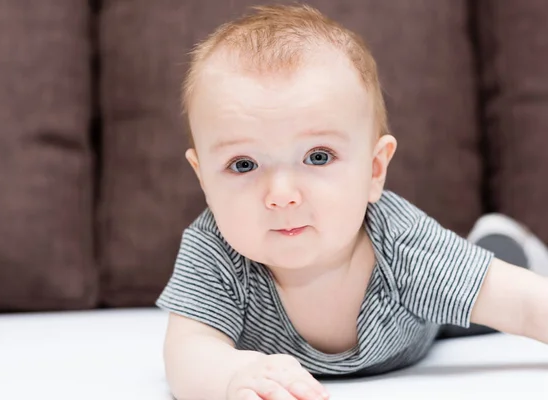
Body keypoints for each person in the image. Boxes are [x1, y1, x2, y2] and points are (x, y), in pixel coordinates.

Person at [155, 4, 548, 400]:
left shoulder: (401, 242)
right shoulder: (213, 251)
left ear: (375, 170)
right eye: (243, 164)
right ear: (203, 176)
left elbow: (526, 304)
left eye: (318, 157)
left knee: (472, 311)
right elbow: (188, 351)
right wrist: (231, 376)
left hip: (420, 319)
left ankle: (503, 242)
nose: (282, 195)